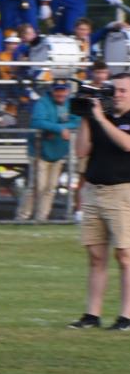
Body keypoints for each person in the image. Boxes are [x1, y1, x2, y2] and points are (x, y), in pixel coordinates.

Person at [70, 72, 130, 329]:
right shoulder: (98, 115)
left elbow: (127, 144)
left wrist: (101, 120)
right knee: (96, 256)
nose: (117, 94)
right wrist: (86, 116)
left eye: (123, 90)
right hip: (94, 191)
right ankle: (92, 315)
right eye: (114, 89)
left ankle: (126, 317)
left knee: (125, 256)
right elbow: (81, 150)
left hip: (122, 192)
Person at [30, 81, 77, 222]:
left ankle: (41, 218)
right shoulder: (43, 102)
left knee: (50, 188)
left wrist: (58, 128)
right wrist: (59, 129)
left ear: (68, 91)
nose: (60, 93)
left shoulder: (72, 103)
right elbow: (37, 122)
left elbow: (78, 122)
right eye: (57, 90)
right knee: (37, 187)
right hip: (40, 151)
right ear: (52, 90)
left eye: (63, 90)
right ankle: (23, 216)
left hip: (59, 151)